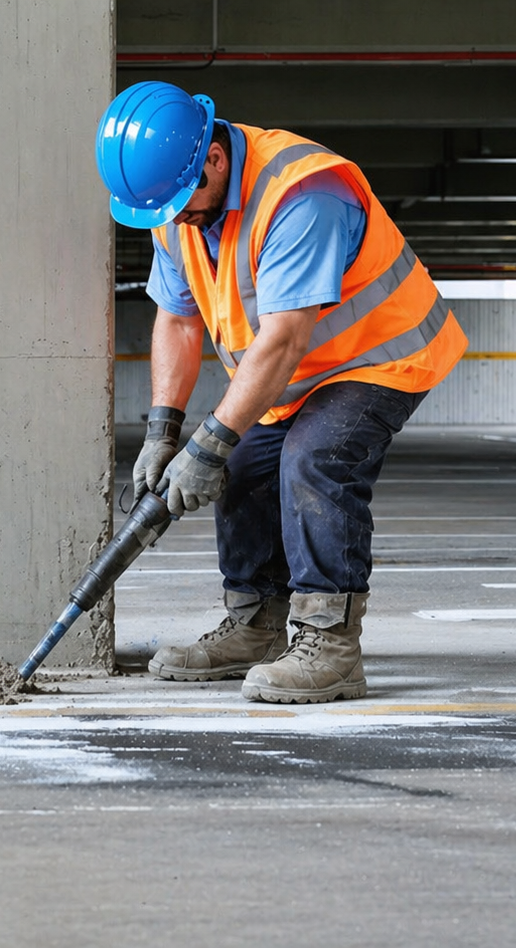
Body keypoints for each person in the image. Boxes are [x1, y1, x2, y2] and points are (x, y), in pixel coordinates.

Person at [94, 81, 468, 704]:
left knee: (313, 458)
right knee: (241, 465)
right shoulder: (175, 204)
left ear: (213, 157)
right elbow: (179, 318)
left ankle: (330, 644)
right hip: (291, 373)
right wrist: (165, 431)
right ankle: (257, 624)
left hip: (377, 354)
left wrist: (206, 443)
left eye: (184, 201)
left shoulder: (303, 192)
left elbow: (286, 337)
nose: (178, 216)